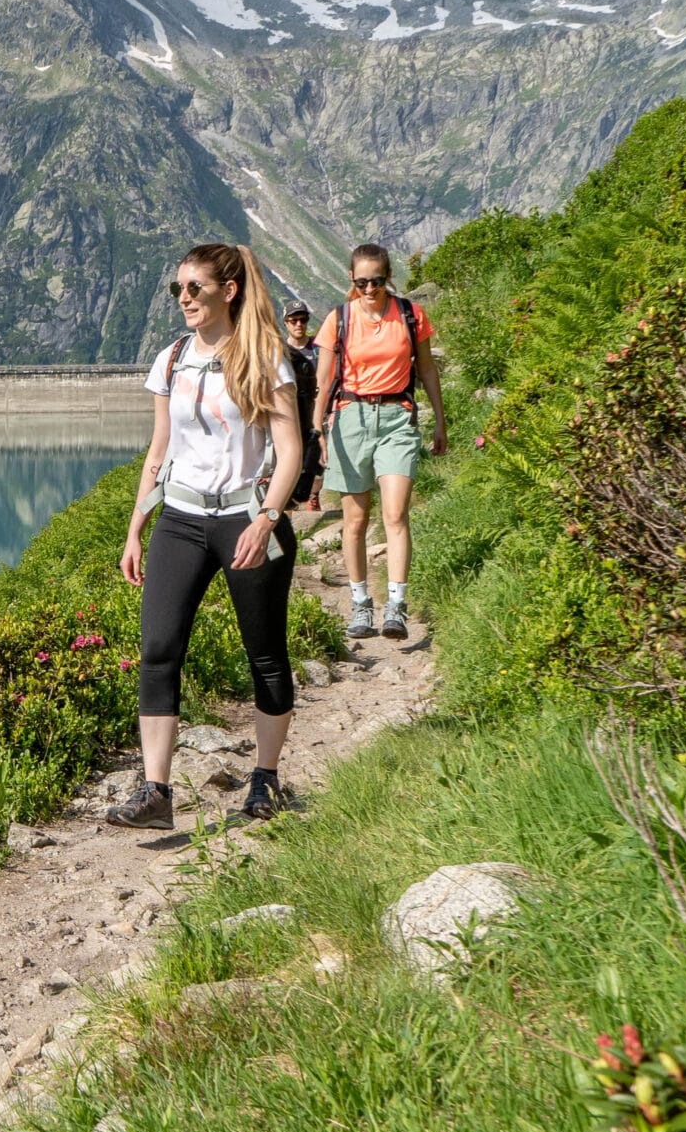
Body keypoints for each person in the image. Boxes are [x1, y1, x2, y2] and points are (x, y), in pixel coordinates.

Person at [108, 243, 307, 831]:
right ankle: (156, 793)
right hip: (181, 519)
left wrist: (266, 519)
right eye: (179, 288)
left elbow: (291, 450)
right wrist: (136, 527)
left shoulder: (264, 357)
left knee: (264, 652)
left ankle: (265, 778)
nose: (184, 298)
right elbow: (159, 447)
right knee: (158, 649)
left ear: (229, 290)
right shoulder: (171, 359)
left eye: (195, 287)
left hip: (247, 517)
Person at [311, 243, 445, 641]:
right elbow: (323, 380)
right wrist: (317, 427)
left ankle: (396, 608)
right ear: (351, 279)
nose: (370, 289)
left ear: (388, 277)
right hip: (350, 418)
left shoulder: (410, 314)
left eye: (378, 281)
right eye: (362, 282)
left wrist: (440, 420)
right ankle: (360, 604)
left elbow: (427, 369)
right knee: (354, 521)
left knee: (395, 514)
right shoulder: (338, 319)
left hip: (397, 418)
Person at [283, 301, 324, 515]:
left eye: (303, 319)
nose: (299, 324)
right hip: (292, 413)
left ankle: (313, 495)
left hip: (318, 410)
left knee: (317, 459)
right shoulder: (280, 352)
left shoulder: (319, 349)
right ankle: (289, 503)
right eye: (294, 320)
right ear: (286, 323)